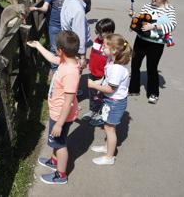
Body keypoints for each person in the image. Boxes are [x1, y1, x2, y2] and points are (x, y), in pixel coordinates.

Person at [27, 30, 81, 184]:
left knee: (60, 144)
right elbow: (51, 58)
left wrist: (59, 123)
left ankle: (61, 175)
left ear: (61, 51)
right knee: (56, 141)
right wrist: (37, 45)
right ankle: (54, 160)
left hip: (61, 115)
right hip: (57, 112)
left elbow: (68, 102)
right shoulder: (67, 61)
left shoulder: (70, 72)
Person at [128, 0, 177, 104]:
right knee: (135, 65)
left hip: (156, 44)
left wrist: (154, 26)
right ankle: (133, 89)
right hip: (140, 40)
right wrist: (135, 16)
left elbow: (172, 24)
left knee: (152, 68)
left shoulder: (169, 9)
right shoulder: (147, 6)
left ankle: (153, 93)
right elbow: (142, 18)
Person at [88, 34, 132, 165]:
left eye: (105, 46)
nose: (102, 48)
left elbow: (110, 89)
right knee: (107, 126)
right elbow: (107, 80)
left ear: (113, 50)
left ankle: (109, 157)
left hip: (115, 102)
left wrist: (93, 85)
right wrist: (99, 82)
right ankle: (107, 147)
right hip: (111, 101)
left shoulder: (117, 69)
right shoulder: (111, 62)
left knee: (109, 129)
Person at [30, 0, 71, 79]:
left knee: (66, 48)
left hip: (66, 25)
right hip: (53, 25)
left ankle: (65, 69)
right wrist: (37, 8)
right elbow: (45, 7)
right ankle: (54, 71)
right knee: (54, 48)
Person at [82, 18, 116, 126]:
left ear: (110, 32)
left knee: (103, 96)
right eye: (97, 32)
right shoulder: (97, 41)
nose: (98, 35)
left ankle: (101, 113)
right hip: (93, 73)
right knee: (92, 94)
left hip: (104, 76)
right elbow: (93, 55)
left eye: (101, 32)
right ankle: (93, 109)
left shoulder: (113, 44)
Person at [60, 0, 96, 71]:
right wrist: (82, 57)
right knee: (73, 78)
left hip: (65, 43)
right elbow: (79, 35)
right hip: (74, 49)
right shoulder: (78, 10)